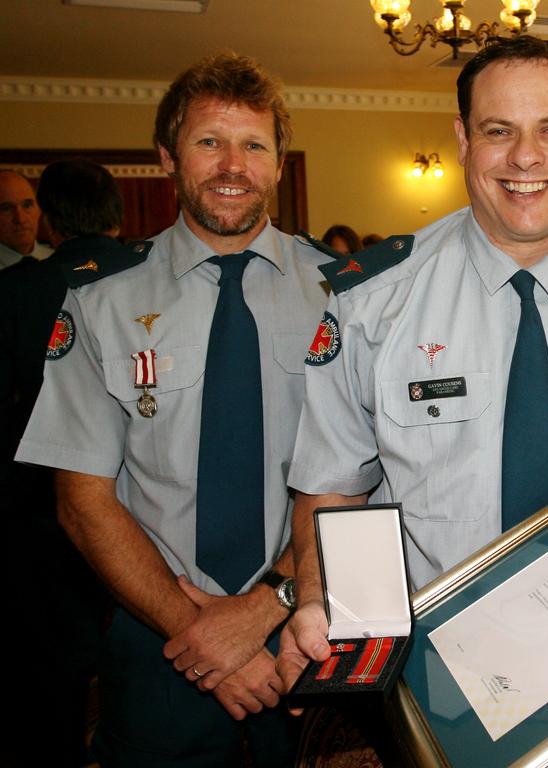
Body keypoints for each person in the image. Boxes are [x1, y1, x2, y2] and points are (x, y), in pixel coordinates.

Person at [280, 35, 548, 766]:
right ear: (461, 140)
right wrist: (318, 600)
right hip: (432, 677)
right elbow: (331, 487)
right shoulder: (373, 301)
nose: (525, 158)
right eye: (498, 131)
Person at [16, 52, 335, 767]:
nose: (233, 165)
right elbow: (81, 500)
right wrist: (202, 636)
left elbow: (366, 476)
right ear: (168, 156)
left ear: (280, 163)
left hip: (309, 625)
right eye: (208, 142)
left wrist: (263, 611)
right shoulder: (99, 301)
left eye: (254, 145)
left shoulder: (347, 296)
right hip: (156, 633)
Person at [0, 159, 122, 767]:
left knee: (52, 670)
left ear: (48, 216)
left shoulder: (17, 292)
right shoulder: (145, 277)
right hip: (142, 509)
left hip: (38, 514)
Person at [0, 169, 53, 268]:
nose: (21, 219)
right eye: (6, 209)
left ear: (39, 209)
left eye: (27, 205)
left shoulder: (58, 261)